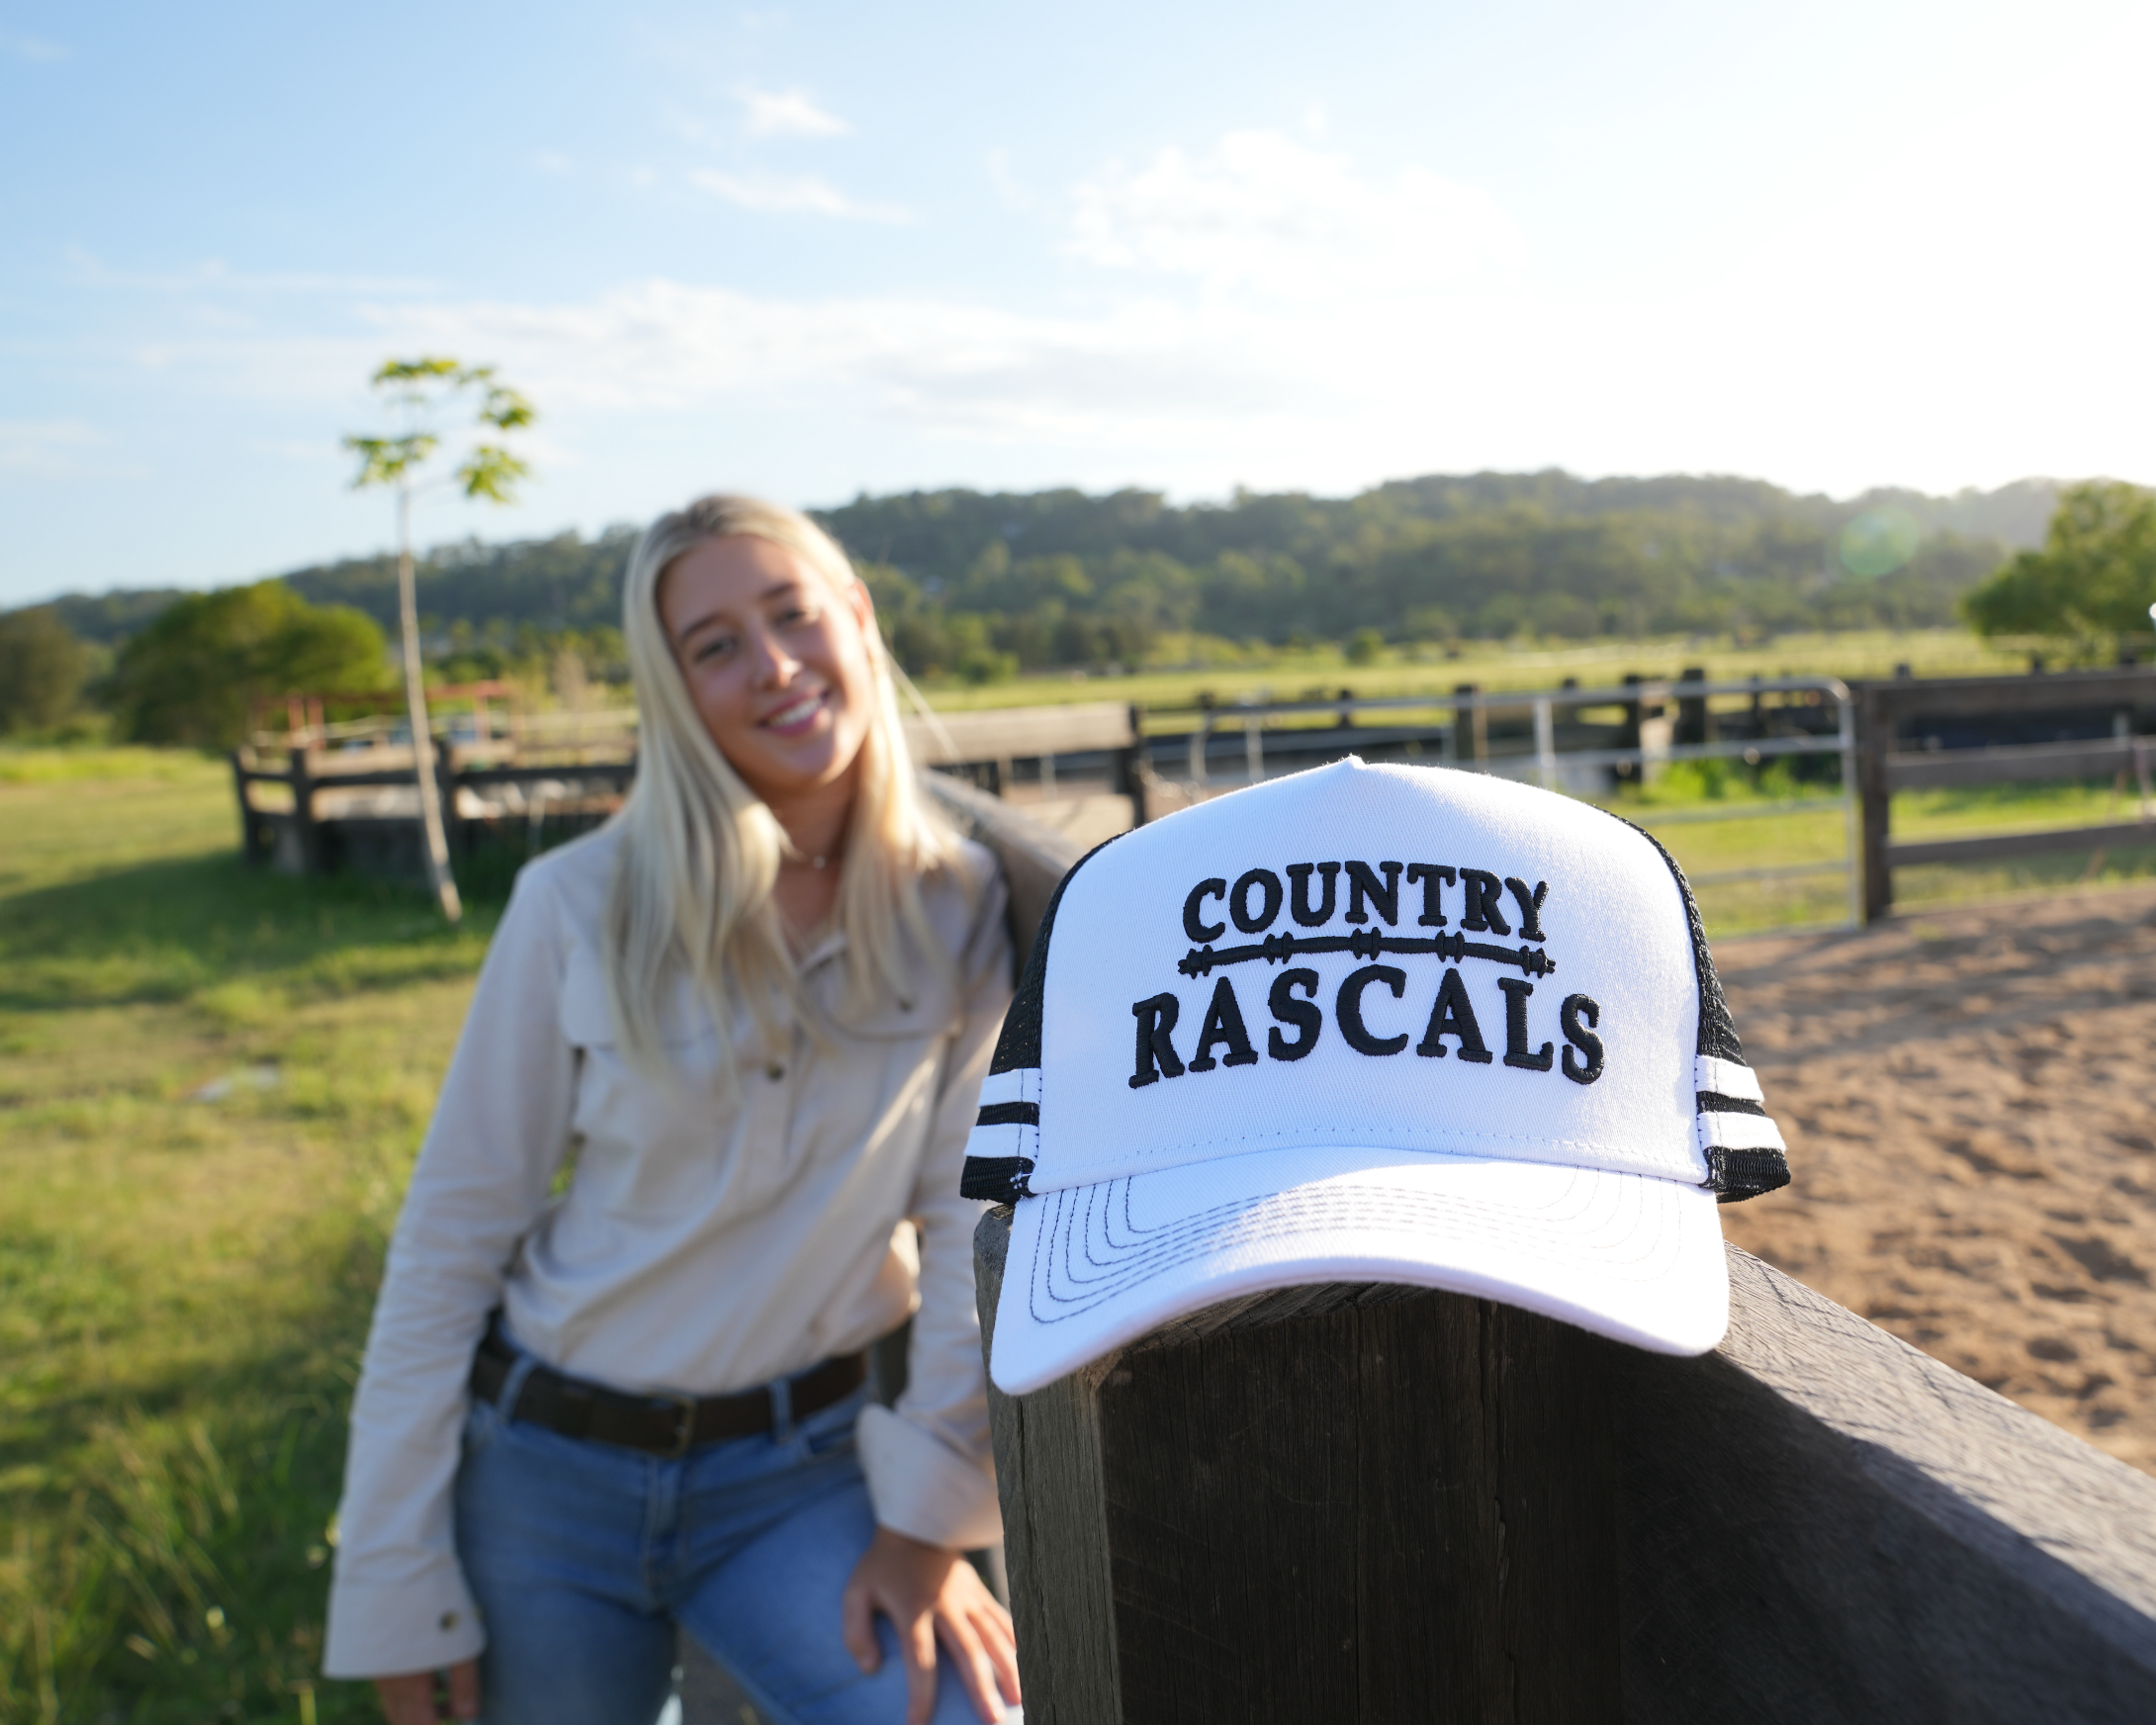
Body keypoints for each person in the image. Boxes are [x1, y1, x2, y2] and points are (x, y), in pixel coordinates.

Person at [321, 495, 1023, 1725]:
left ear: (856, 618)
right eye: (714, 646)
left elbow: (970, 1229)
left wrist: (927, 1520)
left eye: (794, 615)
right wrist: (393, 1578)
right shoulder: (577, 904)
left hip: (797, 1478)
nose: (773, 667)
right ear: (674, 690)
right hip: (546, 1483)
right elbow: (447, 1244)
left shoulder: (958, 907)